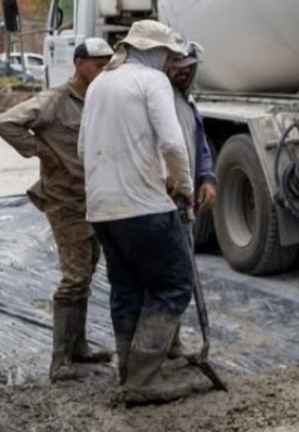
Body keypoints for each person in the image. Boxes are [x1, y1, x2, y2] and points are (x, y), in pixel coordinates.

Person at [78, 20, 199, 405]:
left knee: (127, 288)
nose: (170, 61)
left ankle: (127, 373)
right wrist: (185, 188)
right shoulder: (152, 81)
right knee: (175, 283)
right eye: (167, 54)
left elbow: (82, 148)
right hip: (143, 207)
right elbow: (173, 143)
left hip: (101, 210)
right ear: (152, 50)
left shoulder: (98, 84)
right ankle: (144, 379)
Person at [0, 38, 115, 382]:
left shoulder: (99, 99)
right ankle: (60, 361)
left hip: (92, 198)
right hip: (65, 200)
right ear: (79, 64)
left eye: (107, 65)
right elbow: (6, 123)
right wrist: (41, 152)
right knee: (74, 276)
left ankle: (78, 346)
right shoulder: (54, 101)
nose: (103, 70)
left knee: (86, 272)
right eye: (98, 65)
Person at [164, 38, 216, 359]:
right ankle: (158, 346)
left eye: (189, 68)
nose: (184, 72)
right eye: (178, 67)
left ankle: (172, 342)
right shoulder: (157, 101)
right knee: (170, 274)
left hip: (185, 201)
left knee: (181, 271)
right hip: (162, 201)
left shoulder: (187, 104)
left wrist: (206, 177)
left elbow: (200, 145)